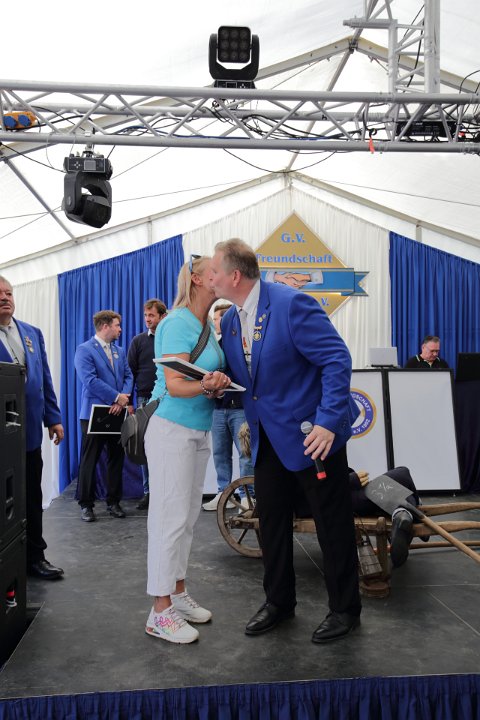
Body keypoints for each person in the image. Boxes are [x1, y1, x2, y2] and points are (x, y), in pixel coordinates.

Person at [210, 239, 361, 644]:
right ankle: (279, 602)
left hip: (313, 438)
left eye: (215, 272)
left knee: (332, 526)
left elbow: (336, 359)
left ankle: (345, 609)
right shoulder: (229, 321)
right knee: (271, 524)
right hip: (266, 438)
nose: (210, 279)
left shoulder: (292, 304)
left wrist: (328, 422)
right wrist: (218, 382)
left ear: (235, 276)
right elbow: (247, 378)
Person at [144, 254, 231, 644]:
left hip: (196, 429)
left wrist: (215, 384)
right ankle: (159, 611)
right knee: (169, 519)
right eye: (215, 270)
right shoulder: (177, 321)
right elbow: (176, 385)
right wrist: (209, 385)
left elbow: (201, 380)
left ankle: (177, 593)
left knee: (187, 518)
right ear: (197, 279)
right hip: (171, 429)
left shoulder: (205, 325)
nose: (222, 274)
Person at [0, 275, 64, 580]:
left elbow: (44, 379)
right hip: (2, 437)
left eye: (8, 293)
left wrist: (54, 418)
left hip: (29, 435)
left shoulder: (31, 333)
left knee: (31, 497)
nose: (5, 298)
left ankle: (35, 557)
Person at [74, 310, 133, 522]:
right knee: (90, 459)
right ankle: (86, 504)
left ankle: (113, 502)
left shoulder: (119, 351)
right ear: (105, 326)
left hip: (118, 412)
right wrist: (116, 397)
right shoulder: (84, 350)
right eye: (117, 325)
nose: (120, 329)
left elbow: (128, 376)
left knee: (116, 458)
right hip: (94, 413)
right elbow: (90, 380)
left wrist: (122, 399)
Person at [202, 302, 254, 512]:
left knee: (245, 454)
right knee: (220, 454)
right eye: (214, 319)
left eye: (217, 319)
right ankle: (224, 494)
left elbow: (244, 373)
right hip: (218, 408)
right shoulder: (215, 346)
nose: (215, 322)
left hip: (241, 407)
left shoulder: (244, 343)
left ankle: (248, 496)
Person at [127, 298, 167, 510]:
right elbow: (130, 373)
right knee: (145, 447)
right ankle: (148, 492)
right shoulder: (138, 341)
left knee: (167, 445)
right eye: (145, 315)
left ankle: (165, 491)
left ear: (162, 316)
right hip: (144, 399)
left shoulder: (170, 339)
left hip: (169, 398)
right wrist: (129, 402)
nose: (147, 319)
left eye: (151, 315)